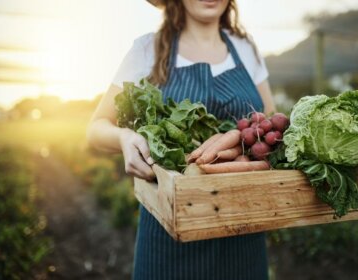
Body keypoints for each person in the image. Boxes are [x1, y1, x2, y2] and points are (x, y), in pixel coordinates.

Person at [87, 0, 276, 279]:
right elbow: (95, 128)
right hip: (168, 235)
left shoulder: (245, 48)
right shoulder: (146, 50)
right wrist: (124, 137)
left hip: (243, 232)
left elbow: (269, 121)